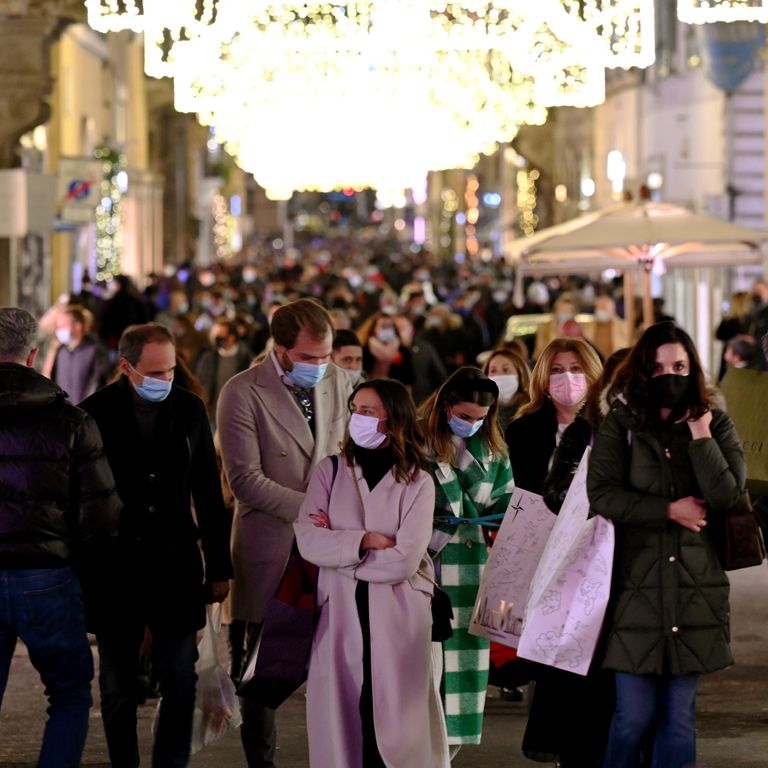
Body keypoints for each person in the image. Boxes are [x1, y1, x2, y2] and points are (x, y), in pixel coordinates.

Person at [587, 321, 744, 768]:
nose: (669, 376)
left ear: (693, 367)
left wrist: (701, 434)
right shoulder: (623, 422)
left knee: (678, 719)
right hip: (634, 587)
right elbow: (602, 494)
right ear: (642, 372)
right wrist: (669, 510)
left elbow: (726, 495)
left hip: (695, 589)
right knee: (632, 716)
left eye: (678, 365)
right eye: (657, 368)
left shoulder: (716, 421)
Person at [80, 322, 233, 768]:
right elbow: (84, 497)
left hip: (175, 564)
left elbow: (208, 490)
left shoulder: (189, 409)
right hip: (117, 567)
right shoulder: (94, 412)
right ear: (127, 367)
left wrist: (219, 567)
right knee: (116, 686)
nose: (165, 380)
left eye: (169, 371)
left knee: (179, 681)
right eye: (155, 373)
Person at [216, 298, 350, 768]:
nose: (321, 365)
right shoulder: (242, 391)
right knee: (264, 673)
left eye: (327, 355)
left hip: (332, 546)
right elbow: (245, 481)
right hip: (271, 544)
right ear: (281, 349)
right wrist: (314, 511)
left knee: (338, 664)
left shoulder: (338, 381)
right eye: (310, 357)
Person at [294, 379, 449, 768]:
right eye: (355, 410)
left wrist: (341, 549)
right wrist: (364, 540)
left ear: (393, 419)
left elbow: (404, 560)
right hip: (339, 612)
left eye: (368, 412)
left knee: (396, 718)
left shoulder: (419, 480)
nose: (358, 419)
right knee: (346, 714)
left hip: (399, 613)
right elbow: (308, 541)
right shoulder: (330, 471)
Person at [0, 307, 120, 768]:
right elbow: (100, 514)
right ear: (34, 354)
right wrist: (92, 583)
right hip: (47, 575)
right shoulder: (71, 420)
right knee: (69, 695)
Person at [503, 337, 602, 763]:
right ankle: (562, 749)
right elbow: (520, 498)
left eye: (577, 368)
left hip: (599, 557)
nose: (567, 379)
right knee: (554, 660)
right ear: (543, 378)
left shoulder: (608, 427)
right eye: (558, 369)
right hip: (544, 556)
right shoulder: (523, 430)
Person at [419, 367, 515, 753]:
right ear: (445, 406)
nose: (471, 424)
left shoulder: (493, 452)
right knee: (423, 662)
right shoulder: (417, 443)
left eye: (479, 419)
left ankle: (447, 753)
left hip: (473, 566)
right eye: (464, 416)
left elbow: (505, 501)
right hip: (428, 558)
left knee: (462, 669)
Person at [42, 304, 112, 404]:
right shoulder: (60, 351)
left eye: (63, 325)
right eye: (58, 326)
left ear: (78, 326)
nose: (59, 330)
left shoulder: (95, 351)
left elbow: (98, 383)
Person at [194, 318, 253, 423]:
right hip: (213, 414)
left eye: (220, 334)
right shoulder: (208, 357)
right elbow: (199, 382)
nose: (216, 338)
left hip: (238, 414)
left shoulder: (245, 358)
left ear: (232, 337)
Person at [357, 310, 415, 386]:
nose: (387, 329)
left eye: (390, 326)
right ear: (374, 329)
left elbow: (409, 378)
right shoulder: (364, 349)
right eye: (383, 326)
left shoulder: (402, 350)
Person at [482, 347, 531, 431]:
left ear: (520, 375)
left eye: (506, 370)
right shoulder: (479, 416)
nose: (499, 375)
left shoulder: (534, 411)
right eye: (493, 371)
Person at [715, 291, 754, 380]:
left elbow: (718, 335)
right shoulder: (748, 321)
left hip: (735, 355)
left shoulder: (750, 320)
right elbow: (719, 335)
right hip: (733, 355)